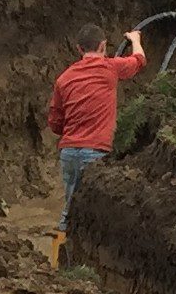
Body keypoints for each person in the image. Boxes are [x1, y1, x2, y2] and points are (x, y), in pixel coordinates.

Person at [47, 21, 145, 228]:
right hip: (96, 151)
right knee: (93, 213)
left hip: (68, 152)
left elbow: (55, 124)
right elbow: (139, 60)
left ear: (79, 49)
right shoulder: (110, 67)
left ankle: (62, 253)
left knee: (70, 207)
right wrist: (135, 40)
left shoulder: (64, 78)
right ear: (103, 45)